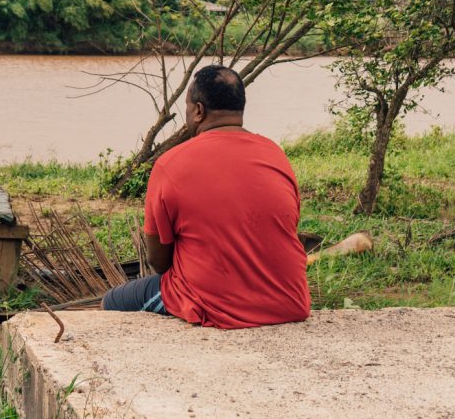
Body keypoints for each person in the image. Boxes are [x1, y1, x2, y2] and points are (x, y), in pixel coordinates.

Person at [101, 64, 310, 329]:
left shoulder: (170, 163)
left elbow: (158, 261)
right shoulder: (275, 154)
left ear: (198, 111)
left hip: (211, 304)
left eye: (187, 107)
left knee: (112, 301)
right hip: (288, 303)